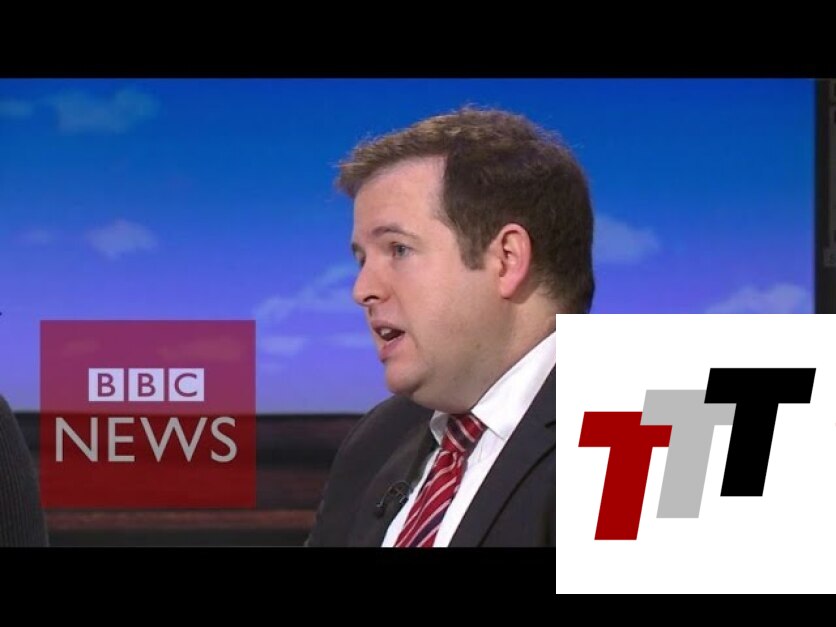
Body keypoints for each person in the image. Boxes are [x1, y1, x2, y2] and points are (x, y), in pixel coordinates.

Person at [306, 106, 594, 547]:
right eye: (362, 259)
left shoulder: (654, 426)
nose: (362, 290)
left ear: (506, 259)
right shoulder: (379, 438)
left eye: (398, 250)